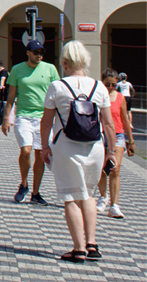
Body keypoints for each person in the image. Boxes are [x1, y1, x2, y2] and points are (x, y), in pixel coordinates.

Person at [39, 41, 115, 263]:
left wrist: (44, 146)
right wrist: (110, 151)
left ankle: (78, 248)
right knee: (89, 195)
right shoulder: (99, 87)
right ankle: (92, 244)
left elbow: (46, 122)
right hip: (95, 147)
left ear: (64, 62)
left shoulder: (57, 86)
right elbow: (108, 123)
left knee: (71, 197)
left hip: (66, 146)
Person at [2, 39, 60, 204]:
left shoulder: (50, 69)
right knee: (26, 151)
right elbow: (11, 96)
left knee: (40, 154)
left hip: (44, 117)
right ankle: (24, 183)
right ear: (28, 52)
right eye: (36, 52)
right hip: (23, 116)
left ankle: (35, 192)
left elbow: (57, 93)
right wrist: (7, 117)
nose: (39, 56)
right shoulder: (17, 69)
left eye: (41, 53)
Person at [96, 68, 134, 219]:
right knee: (101, 169)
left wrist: (130, 141)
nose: (110, 88)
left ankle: (114, 205)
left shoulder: (120, 98)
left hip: (118, 135)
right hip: (101, 134)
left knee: (114, 168)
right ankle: (103, 196)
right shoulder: (98, 96)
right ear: (102, 83)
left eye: (113, 85)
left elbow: (125, 119)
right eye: (107, 84)